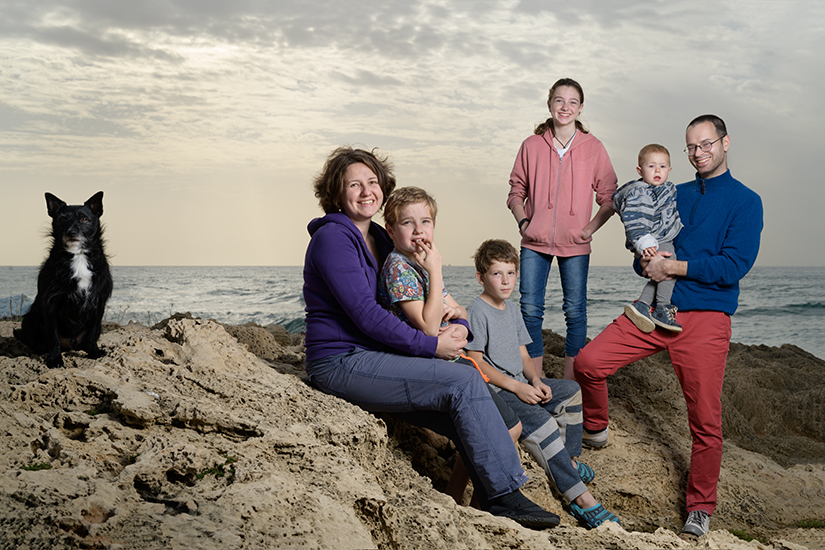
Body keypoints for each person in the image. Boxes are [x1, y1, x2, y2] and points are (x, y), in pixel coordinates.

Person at [303, 146, 560, 529]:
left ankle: (487, 498)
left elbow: (431, 294)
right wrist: (432, 345)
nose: (366, 191)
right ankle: (507, 496)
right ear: (336, 193)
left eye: (372, 181)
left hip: (375, 355)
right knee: (463, 380)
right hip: (341, 361)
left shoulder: (380, 236)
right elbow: (367, 316)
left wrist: (462, 329)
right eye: (353, 184)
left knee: (466, 409)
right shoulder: (333, 240)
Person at [574, 115, 763, 538]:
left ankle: (700, 507)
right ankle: (597, 428)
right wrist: (643, 257)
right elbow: (640, 235)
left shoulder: (746, 201)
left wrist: (673, 266)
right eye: (691, 147)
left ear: (725, 143)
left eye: (706, 144)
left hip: (706, 318)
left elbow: (734, 265)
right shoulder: (668, 191)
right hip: (655, 312)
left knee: (705, 421)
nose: (699, 153)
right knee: (588, 362)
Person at [377, 186, 523, 505]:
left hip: (452, 357)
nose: (419, 231)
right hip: (427, 361)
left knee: (505, 428)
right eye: (407, 223)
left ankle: (457, 495)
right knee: (506, 430)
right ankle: (474, 498)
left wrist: (457, 322)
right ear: (390, 229)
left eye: (426, 222)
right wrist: (436, 269)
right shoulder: (400, 267)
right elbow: (429, 326)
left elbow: (461, 311)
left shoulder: (422, 262)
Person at [465, 239, 620, 530]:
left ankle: (569, 462)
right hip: (499, 391)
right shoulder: (477, 311)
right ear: (481, 277)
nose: (505, 281)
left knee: (571, 392)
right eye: (497, 274)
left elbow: (523, 353)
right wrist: (517, 387)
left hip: (522, 383)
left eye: (511, 273)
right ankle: (580, 499)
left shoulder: (511, 310)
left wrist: (535, 380)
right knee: (543, 424)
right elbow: (476, 362)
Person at [507, 78, 618, 381]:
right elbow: (516, 191)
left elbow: (610, 196)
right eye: (559, 100)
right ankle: (535, 379)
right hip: (534, 241)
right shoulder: (531, 145)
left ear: (580, 108)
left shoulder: (593, 148)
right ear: (549, 104)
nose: (565, 107)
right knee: (529, 309)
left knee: (575, 312)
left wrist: (589, 229)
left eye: (572, 102)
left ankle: (571, 384)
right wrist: (524, 223)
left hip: (575, 244)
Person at [612, 144, 684, 333]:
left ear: (669, 169)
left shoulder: (665, 189)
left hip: (660, 238)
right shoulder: (640, 191)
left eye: (662, 166)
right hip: (653, 240)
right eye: (651, 166)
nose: (657, 170)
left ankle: (643, 304)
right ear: (640, 170)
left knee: (658, 275)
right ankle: (662, 307)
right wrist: (645, 243)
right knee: (669, 272)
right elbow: (636, 220)